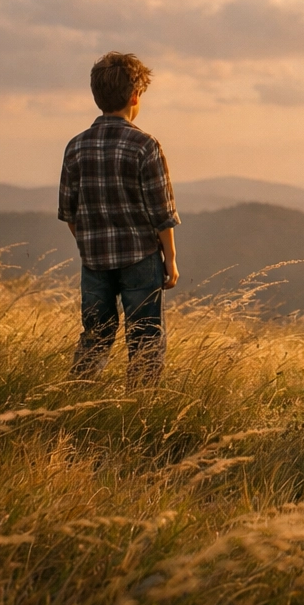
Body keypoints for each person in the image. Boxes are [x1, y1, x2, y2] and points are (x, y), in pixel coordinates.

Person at [60, 52, 181, 387]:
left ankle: (77, 394)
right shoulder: (145, 146)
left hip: (94, 260)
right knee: (145, 337)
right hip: (140, 258)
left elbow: (69, 213)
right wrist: (169, 260)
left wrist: (91, 242)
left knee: (96, 333)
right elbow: (162, 212)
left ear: (97, 96)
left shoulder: (76, 147)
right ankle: (141, 405)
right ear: (135, 97)